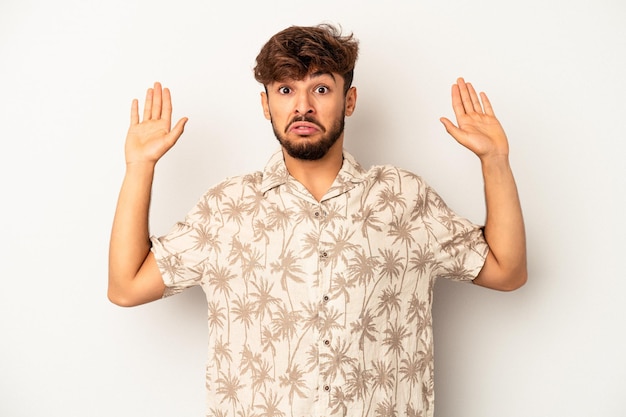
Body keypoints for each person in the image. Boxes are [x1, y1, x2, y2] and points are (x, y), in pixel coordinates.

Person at [108, 24, 526, 417]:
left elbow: (507, 272)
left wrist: (495, 160)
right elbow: (126, 287)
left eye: (321, 88)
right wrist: (139, 166)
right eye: (286, 89)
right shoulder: (226, 208)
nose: (302, 106)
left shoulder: (402, 198)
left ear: (349, 100)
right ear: (265, 103)